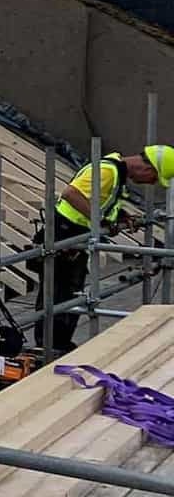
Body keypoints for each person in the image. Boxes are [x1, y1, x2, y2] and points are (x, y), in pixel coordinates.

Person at [31, 145, 174, 353]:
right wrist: (101, 220)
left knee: (69, 293)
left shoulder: (116, 171)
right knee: (60, 294)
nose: (150, 183)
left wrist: (119, 216)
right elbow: (71, 194)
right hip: (65, 234)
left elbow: (98, 201)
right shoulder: (108, 171)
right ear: (148, 168)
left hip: (71, 235)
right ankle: (50, 347)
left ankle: (58, 345)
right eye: (153, 178)